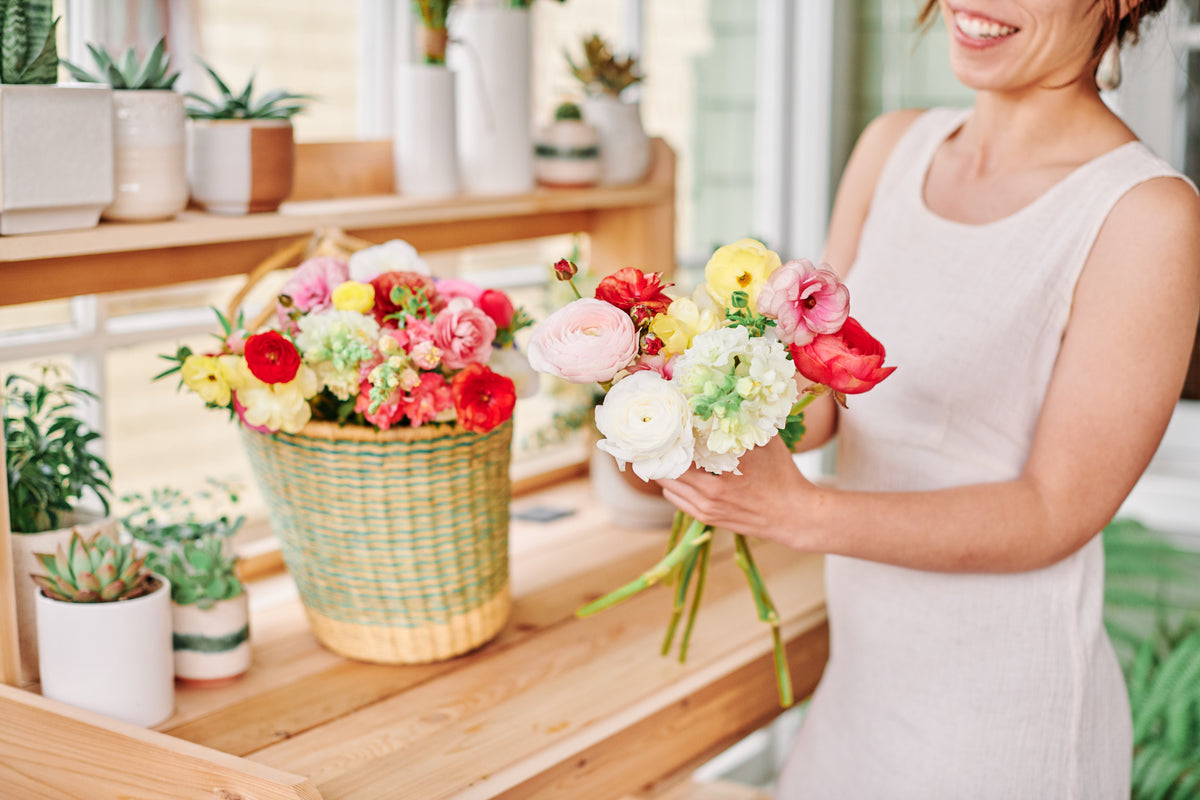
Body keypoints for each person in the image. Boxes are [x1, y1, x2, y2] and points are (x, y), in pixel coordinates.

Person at [657, 1, 1200, 797]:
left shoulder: (1145, 215)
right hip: (858, 699)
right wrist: (697, 403)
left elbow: (1055, 511)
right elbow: (825, 404)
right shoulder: (892, 149)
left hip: (1006, 729)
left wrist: (802, 515)